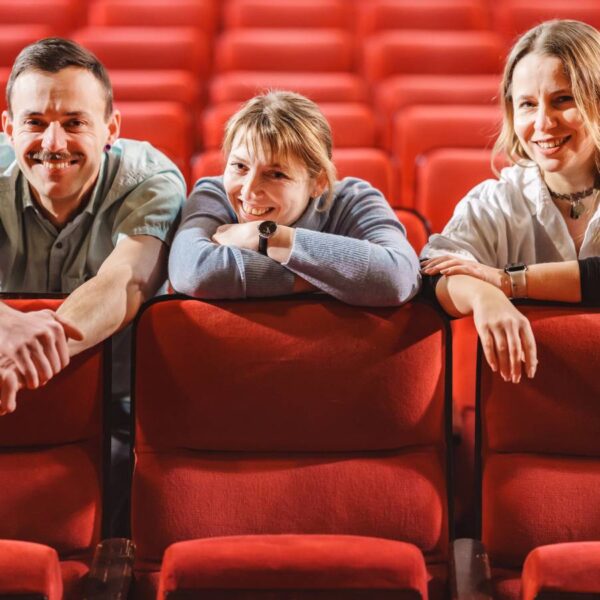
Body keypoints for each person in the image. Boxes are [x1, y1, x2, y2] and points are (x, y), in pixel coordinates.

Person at [0, 38, 185, 534]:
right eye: (35, 122)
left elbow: (123, 281)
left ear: (111, 128)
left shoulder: (151, 179)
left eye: (75, 122)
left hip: (113, 413)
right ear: (7, 127)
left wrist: (24, 355)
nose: (53, 144)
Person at [420, 19, 600, 384]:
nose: (543, 123)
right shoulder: (496, 200)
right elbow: (433, 275)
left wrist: (507, 282)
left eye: (563, 100)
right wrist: (484, 297)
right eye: (528, 105)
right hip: (532, 402)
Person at [169, 91, 420, 306]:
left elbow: (398, 278)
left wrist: (267, 237)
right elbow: (194, 272)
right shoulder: (214, 193)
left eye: (276, 174)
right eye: (239, 166)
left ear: (319, 182)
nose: (248, 190)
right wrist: (331, 279)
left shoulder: (355, 201)